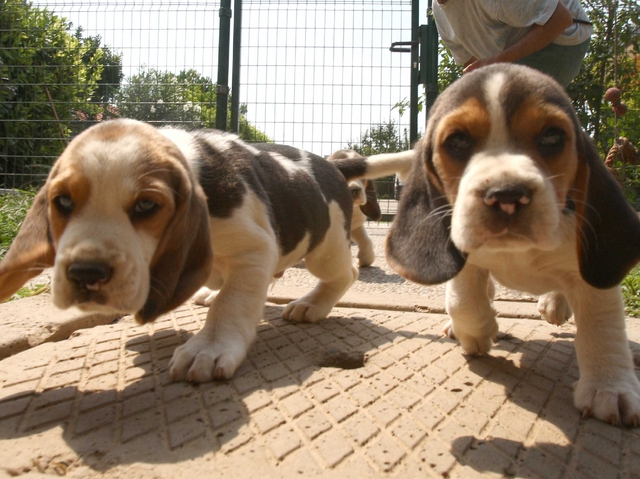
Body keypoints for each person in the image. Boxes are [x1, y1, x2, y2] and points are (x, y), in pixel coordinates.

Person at [432, 0, 593, 88]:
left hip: (564, 36)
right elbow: (472, 64)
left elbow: (561, 18)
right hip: (513, 54)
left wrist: (498, 62)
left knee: (511, 105)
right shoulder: (439, 11)